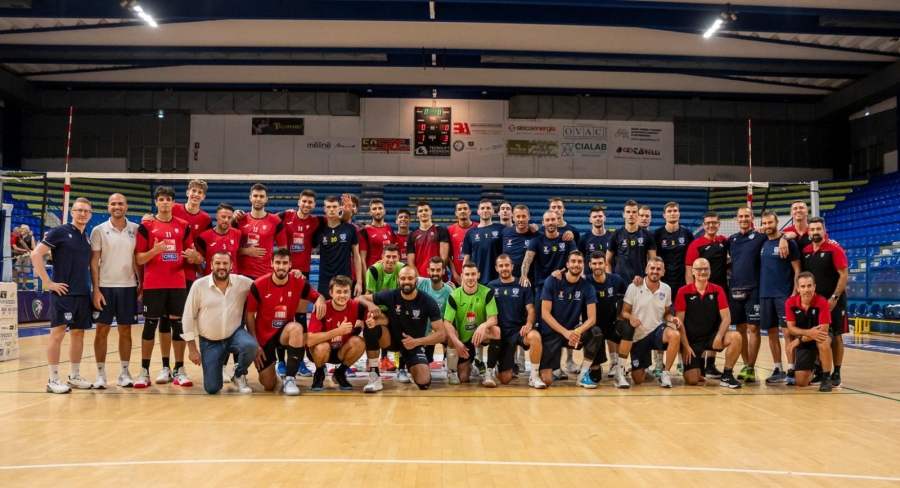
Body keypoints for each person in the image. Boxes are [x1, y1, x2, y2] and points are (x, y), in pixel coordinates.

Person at [31, 197, 94, 394]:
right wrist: (48, 283)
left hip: (82, 293)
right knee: (57, 334)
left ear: (90, 215)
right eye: (79, 210)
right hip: (63, 293)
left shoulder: (87, 237)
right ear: (72, 213)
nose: (82, 214)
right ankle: (53, 379)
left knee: (78, 334)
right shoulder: (59, 231)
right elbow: (36, 254)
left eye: (86, 211)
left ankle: (74, 376)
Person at [134, 186, 193, 388]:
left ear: (173, 203)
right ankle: (144, 371)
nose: (165, 202)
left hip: (177, 283)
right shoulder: (146, 226)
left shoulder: (183, 225)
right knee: (150, 325)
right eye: (161, 199)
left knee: (178, 325)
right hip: (154, 284)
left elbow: (189, 253)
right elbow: (139, 259)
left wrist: (193, 256)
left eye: (168, 199)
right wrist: (155, 251)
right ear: (156, 202)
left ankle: (179, 369)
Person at [245, 248, 325, 395]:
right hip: (264, 337)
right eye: (278, 262)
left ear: (290, 265)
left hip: (284, 332)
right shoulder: (258, 285)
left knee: (296, 328)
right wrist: (255, 344)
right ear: (271, 264)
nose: (281, 266)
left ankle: (290, 378)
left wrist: (320, 300)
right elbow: (249, 316)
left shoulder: (298, 282)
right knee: (268, 385)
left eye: (284, 263)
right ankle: (274, 373)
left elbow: (318, 296)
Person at [357, 266, 447, 393]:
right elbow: (359, 298)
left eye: (410, 278)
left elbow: (441, 334)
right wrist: (371, 305)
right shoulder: (391, 295)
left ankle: (411, 365)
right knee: (371, 326)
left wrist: (417, 342)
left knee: (424, 383)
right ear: (398, 281)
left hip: (413, 344)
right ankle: (374, 375)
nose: (406, 281)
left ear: (416, 280)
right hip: (391, 340)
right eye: (403, 278)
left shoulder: (427, 301)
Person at [181, 252, 257, 394]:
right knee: (212, 388)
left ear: (231, 265)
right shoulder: (199, 285)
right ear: (211, 265)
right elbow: (187, 317)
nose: (221, 266)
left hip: (234, 335)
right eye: (217, 263)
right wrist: (192, 349)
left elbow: (264, 284)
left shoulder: (242, 282)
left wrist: (294, 274)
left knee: (251, 346)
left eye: (225, 263)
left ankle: (239, 374)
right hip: (210, 342)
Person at [89, 193, 142, 389]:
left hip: (128, 287)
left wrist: (141, 282)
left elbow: (137, 259)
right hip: (105, 287)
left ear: (126, 207)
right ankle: (100, 374)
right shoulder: (98, 230)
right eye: (113, 203)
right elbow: (94, 262)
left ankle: (124, 372)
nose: (117, 206)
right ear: (108, 207)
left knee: (125, 330)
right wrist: (96, 289)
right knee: (101, 329)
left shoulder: (136, 229)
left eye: (120, 203)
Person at [613, 257, 682, 389]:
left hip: (657, 332)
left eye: (658, 269)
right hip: (638, 337)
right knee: (638, 380)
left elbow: (667, 313)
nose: (655, 271)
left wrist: (672, 318)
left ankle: (665, 374)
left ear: (663, 272)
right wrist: (631, 317)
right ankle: (634, 367)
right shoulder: (634, 287)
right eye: (652, 268)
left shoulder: (666, 289)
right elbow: (624, 312)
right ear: (646, 270)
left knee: (675, 335)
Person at [675, 258, 743, 388]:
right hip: (693, 341)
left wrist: (718, 336)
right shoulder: (683, 291)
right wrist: (686, 346)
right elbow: (680, 323)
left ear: (710, 271)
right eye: (699, 269)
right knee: (693, 380)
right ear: (693, 271)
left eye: (706, 269)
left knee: (736, 337)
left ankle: (727, 376)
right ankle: (699, 367)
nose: (703, 272)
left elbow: (727, 318)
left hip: (712, 337)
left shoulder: (718, 290)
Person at [538, 251, 602, 388]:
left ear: (583, 265)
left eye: (579, 262)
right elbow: (545, 313)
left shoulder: (587, 287)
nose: (576, 264)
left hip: (573, 334)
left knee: (595, 332)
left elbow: (592, 319)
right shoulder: (552, 281)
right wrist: (565, 332)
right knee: (547, 381)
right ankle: (554, 368)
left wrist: (577, 331)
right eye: (573, 261)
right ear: (567, 264)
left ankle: (582, 375)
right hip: (552, 333)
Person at [802, 217, 848, 388]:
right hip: (815, 304)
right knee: (818, 336)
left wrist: (834, 297)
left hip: (834, 302)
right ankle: (821, 371)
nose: (815, 232)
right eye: (812, 229)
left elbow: (844, 275)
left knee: (837, 336)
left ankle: (836, 372)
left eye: (818, 229)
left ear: (824, 230)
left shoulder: (835, 249)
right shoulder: (806, 251)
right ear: (808, 231)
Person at [757, 210, 801, 384]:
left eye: (770, 222)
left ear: (776, 222)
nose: (767, 226)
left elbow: (797, 269)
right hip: (765, 294)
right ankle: (778, 369)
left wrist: (794, 293)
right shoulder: (762, 242)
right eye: (764, 223)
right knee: (771, 332)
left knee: (787, 332)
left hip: (784, 294)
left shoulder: (789, 242)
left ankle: (792, 369)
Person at [684, 211, 729, 379]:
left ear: (719, 224)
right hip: (700, 293)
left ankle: (711, 364)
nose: (711, 225)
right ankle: (700, 365)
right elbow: (689, 271)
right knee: (701, 328)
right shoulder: (696, 245)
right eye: (708, 223)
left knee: (716, 326)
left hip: (720, 292)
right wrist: (692, 293)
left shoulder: (724, 242)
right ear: (703, 225)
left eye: (714, 222)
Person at [489, 254, 545, 388]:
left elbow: (531, 310)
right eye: (501, 266)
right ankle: (499, 364)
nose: (504, 268)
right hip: (501, 333)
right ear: (496, 268)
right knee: (505, 379)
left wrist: (529, 324)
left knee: (535, 337)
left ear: (512, 266)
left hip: (518, 330)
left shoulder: (522, 284)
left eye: (507, 265)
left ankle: (534, 376)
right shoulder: (491, 286)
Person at [651, 201, 693, 376]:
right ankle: (658, 363)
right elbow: (653, 260)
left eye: (675, 211)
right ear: (664, 215)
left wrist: (690, 284)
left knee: (682, 323)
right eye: (669, 211)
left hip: (681, 285)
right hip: (663, 285)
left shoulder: (687, 234)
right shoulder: (657, 234)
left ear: (679, 214)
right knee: (660, 322)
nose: (673, 213)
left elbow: (690, 260)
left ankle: (682, 362)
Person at [443, 262, 500, 386]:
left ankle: (489, 372)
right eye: (467, 274)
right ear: (462, 276)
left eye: (473, 274)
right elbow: (447, 323)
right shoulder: (454, 296)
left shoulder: (487, 292)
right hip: (463, 339)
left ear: (478, 275)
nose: (470, 277)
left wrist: (483, 325)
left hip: (480, 335)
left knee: (495, 330)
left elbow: (493, 319)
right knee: (463, 378)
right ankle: (456, 368)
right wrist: (457, 342)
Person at [306, 275, 366, 392]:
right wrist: (338, 331)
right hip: (320, 351)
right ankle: (319, 372)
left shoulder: (357, 307)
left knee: (359, 342)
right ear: (331, 293)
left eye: (345, 292)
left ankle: (340, 373)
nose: (342, 295)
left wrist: (370, 321)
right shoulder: (321, 307)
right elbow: (309, 340)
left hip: (341, 351)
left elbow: (374, 316)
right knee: (322, 346)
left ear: (350, 293)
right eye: (338, 292)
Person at [785, 272, 834, 391]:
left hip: (819, 335)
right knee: (801, 382)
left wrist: (799, 340)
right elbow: (791, 328)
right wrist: (808, 333)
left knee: (823, 340)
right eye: (803, 286)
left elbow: (823, 330)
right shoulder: (790, 303)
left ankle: (826, 377)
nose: (806, 290)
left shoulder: (822, 302)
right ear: (798, 289)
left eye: (809, 286)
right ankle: (815, 366)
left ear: (814, 287)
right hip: (805, 338)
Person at [412, 256, 455, 380]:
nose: (435, 273)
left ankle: (451, 369)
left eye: (438, 270)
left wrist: (437, 333)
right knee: (421, 375)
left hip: (440, 331)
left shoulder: (449, 291)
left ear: (443, 271)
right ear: (428, 271)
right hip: (422, 333)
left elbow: (450, 320)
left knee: (453, 335)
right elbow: (405, 276)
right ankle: (403, 368)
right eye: (432, 270)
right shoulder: (420, 283)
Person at [586, 252, 627, 381]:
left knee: (627, 328)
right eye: (594, 264)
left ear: (606, 264)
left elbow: (626, 296)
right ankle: (592, 365)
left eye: (600, 263)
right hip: (593, 327)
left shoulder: (616, 280)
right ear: (590, 265)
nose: (597, 266)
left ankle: (619, 365)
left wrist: (621, 313)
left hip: (611, 324)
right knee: (596, 378)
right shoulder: (585, 281)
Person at [313, 195, 363, 298]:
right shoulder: (319, 230)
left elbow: (356, 256)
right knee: (323, 307)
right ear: (324, 209)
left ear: (340, 208)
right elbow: (310, 248)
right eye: (328, 207)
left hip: (345, 279)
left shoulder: (350, 229)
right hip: (325, 281)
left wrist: (359, 282)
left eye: (334, 206)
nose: (331, 209)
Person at [235, 183, 286, 280]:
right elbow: (228, 248)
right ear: (250, 198)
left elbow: (283, 250)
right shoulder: (239, 220)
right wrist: (245, 251)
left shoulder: (276, 221)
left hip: (266, 274)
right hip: (242, 274)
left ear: (266, 199)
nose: (258, 199)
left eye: (261, 196)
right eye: (255, 196)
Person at [607, 200, 657, 285]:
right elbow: (607, 261)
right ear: (623, 214)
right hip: (620, 283)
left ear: (638, 214)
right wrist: (611, 280)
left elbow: (653, 261)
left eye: (634, 212)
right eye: (628, 212)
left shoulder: (647, 235)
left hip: (641, 282)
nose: (631, 214)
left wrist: (648, 280)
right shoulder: (616, 234)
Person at [171, 179, 212, 286]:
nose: (196, 194)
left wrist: (199, 257)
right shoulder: (173, 208)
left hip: (189, 270)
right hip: (169, 263)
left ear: (203, 196)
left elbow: (206, 248)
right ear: (187, 192)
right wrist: (149, 217)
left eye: (200, 192)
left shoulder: (206, 219)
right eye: (194, 191)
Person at [463, 199, 506, 284]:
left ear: (493, 211)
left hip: (497, 278)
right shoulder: (470, 233)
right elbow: (467, 259)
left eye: (488, 208)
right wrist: (464, 277)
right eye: (482, 208)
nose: (485, 210)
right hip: (476, 278)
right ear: (478, 211)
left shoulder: (501, 229)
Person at [195, 203, 242, 276]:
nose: (226, 220)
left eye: (229, 217)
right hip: (212, 279)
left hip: (232, 279)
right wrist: (205, 277)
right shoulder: (204, 237)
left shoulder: (238, 234)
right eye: (223, 216)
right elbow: (197, 262)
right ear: (216, 216)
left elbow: (239, 252)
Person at [407, 201, 451, 279]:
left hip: (439, 277)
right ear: (417, 214)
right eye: (421, 211)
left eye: (426, 210)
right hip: (420, 278)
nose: (423, 213)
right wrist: (419, 279)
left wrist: (437, 274)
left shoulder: (441, 230)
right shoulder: (412, 235)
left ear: (431, 212)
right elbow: (410, 261)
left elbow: (444, 257)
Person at [359, 197, 395, 270]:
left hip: (389, 271)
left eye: (380, 208)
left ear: (384, 211)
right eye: (374, 209)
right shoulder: (364, 231)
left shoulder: (389, 228)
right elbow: (362, 259)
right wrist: (366, 276)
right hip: (373, 272)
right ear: (370, 212)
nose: (377, 211)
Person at [447, 200, 474, 284]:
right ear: (456, 213)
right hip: (457, 278)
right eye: (460, 209)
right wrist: (455, 276)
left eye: (465, 208)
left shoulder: (478, 227)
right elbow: (447, 255)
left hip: (475, 276)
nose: (462, 211)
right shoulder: (449, 230)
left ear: (470, 211)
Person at [13, 224, 35, 289]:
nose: (21, 229)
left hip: (27, 256)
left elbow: (33, 246)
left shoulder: (31, 237)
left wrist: (33, 251)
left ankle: (24, 286)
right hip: (18, 256)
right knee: (17, 271)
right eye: (21, 228)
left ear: (27, 230)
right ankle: (16, 285)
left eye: (23, 228)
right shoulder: (17, 236)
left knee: (26, 271)